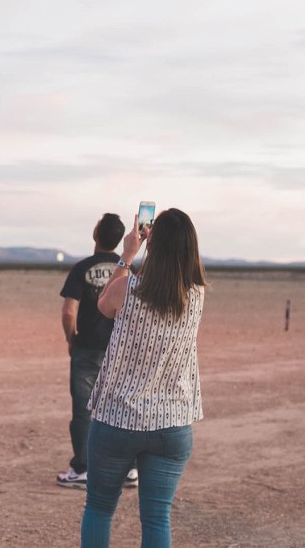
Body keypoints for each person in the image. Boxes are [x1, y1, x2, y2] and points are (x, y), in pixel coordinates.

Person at [80, 208, 207, 548]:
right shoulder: (196, 296)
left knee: (99, 509)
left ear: (154, 243)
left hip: (117, 421)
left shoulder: (128, 289)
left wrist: (127, 255)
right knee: (156, 517)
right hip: (172, 424)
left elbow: (104, 305)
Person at [57, 213, 138, 491]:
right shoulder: (128, 270)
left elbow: (69, 310)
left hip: (87, 348)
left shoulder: (82, 269)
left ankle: (82, 468)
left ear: (96, 233)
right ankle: (128, 469)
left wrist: (71, 339)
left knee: (83, 410)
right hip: (118, 350)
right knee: (120, 408)